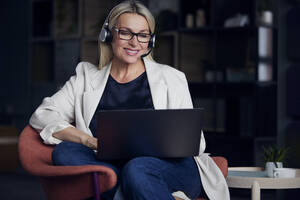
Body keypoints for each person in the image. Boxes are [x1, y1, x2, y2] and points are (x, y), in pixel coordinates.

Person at [29, 1, 229, 200]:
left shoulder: (171, 78)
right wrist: (88, 140)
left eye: (143, 35)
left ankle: (120, 189)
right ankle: (125, 188)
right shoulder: (85, 77)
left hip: (169, 168)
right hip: (110, 167)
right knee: (65, 152)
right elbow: (42, 115)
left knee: (137, 168)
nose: (134, 43)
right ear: (108, 34)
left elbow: (196, 143)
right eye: (125, 33)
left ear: (150, 41)